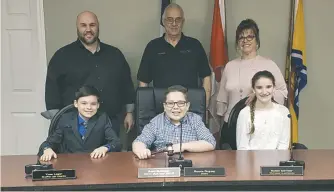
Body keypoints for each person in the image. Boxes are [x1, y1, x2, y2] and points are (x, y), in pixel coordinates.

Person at [44, 11, 135, 136]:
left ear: (98, 27)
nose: (88, 29)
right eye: (83, 25)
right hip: (74, 125)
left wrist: (129, 113)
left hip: (110, 122)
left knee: (111, 154)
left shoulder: (115, 54)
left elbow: (126, 85)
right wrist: (56, 120)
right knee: (77, 156)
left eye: (92, 25)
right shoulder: (62, 56)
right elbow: (52, 89)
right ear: (77, 28)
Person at [216, 18, 288, 149]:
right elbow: (222, 100)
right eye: (241, 37)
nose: (245, 40)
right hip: (230, 124)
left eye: (250, 36)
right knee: (231, 165)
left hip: (257, 126)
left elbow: (283, 92)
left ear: (257, 41)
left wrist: (259, 95)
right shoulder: (229, 66)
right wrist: (219, 129)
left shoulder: (269, 64)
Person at [137, 3, 212, 108]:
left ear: (183, 22)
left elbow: (206, 77)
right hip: (161, 108)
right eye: (169, 19)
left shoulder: (195, 45)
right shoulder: (152, 47)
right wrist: (144, 109)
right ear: (163, 22)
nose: (174, 23)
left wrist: (205, 104)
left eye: (178, 19)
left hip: (190, 108)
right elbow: (143, 82)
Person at [38, 85, 121, 161]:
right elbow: (48, 143)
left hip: (95, 163)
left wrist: (105, 148)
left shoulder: (102, 118)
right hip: (70, 163)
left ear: (98, 105)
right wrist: (47, 149)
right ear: (76, 104)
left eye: (93, 104)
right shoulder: (65, 119)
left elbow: (116, 142)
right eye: (84, 103)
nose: (89, 107)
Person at [132, 85, 216, 160]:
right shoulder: (156, 122)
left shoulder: (195, 120)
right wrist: (142, 150)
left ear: (187, 106)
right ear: (164, 106)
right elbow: (139, 142)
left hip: (191, 167)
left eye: (180, 103)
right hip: (164, 168)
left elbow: (210, 142)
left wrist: (181, 147)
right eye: (170, 103)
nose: (175, 107)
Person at [236, 71, 290, 150]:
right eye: (259, 87)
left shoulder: (284, 112)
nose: (264, 92)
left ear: (274, 88)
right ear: (253, 90)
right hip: (251, 161)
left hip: (276, 161)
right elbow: (242, 148)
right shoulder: (244, 113)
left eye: (268, 87)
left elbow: (283, 145)